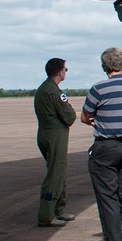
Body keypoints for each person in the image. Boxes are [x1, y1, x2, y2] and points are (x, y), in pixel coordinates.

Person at [80, 47, 122, 241]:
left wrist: (95, 121)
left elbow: (85, 115)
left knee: (108, 199)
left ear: (104, 66)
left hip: (107, 146)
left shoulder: (99, 88)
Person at [34, 58, 77, 227]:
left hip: (44, 133)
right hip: (55, 136)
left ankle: (59, 209)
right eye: (65, 70)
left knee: (58, 173)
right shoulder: (55, 92)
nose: (65, 72)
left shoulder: (43, 89)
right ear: (60, 72)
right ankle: (46, 214)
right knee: (55, 175)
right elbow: (69, 116)